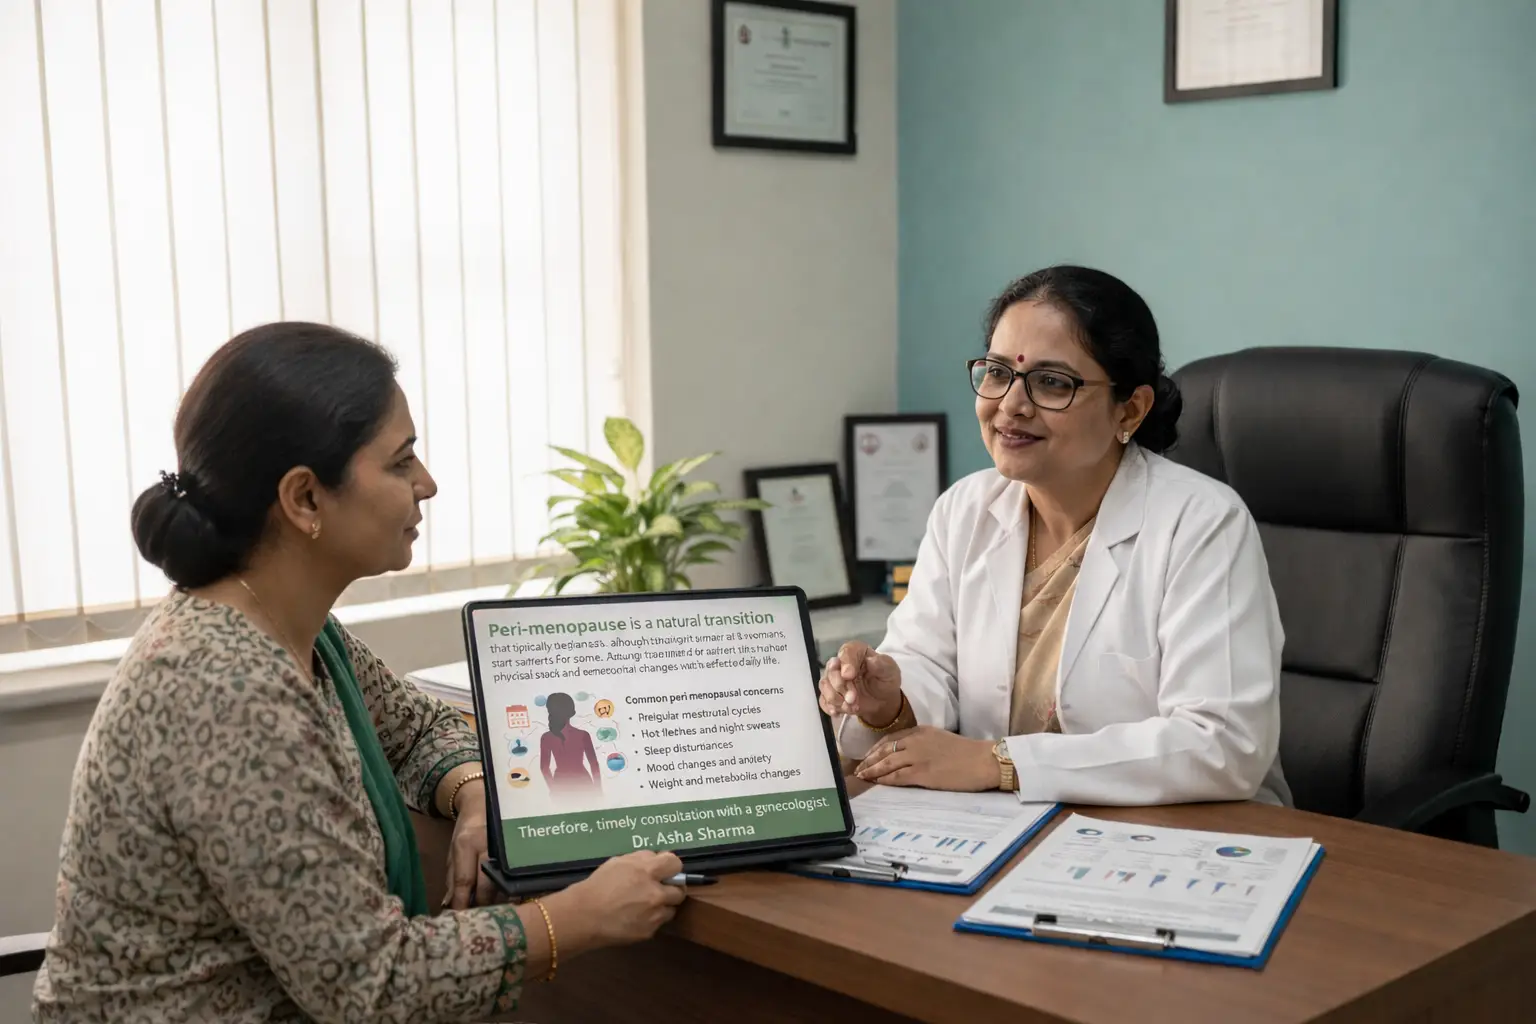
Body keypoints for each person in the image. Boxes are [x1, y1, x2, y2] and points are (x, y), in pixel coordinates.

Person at [33, 323, 684, 1024]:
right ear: (305, 499)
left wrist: (471, 790)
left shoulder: (293, 631)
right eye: (401, 462)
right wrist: (576, 918)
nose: (427, 484)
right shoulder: (224, 690)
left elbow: (420, 726)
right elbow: (373, 986)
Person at [821, 266, 1291, 807]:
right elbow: (930, 665)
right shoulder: (964, 510)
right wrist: (888, 701)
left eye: (1052, 383)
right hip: (998, 827)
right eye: (998, 372)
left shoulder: (1201, 522)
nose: (1011, 405)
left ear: (1131, 409)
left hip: (1184, 832)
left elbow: (1223, 745)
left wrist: (998, 762)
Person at [540, 692, 601, 792]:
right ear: (571, 712)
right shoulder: (583, 735)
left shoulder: (546, 738)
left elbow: (544, 769)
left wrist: (554, 789)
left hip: (561, 783)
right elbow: (594, 764)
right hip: (584, 782)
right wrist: (598, 790)